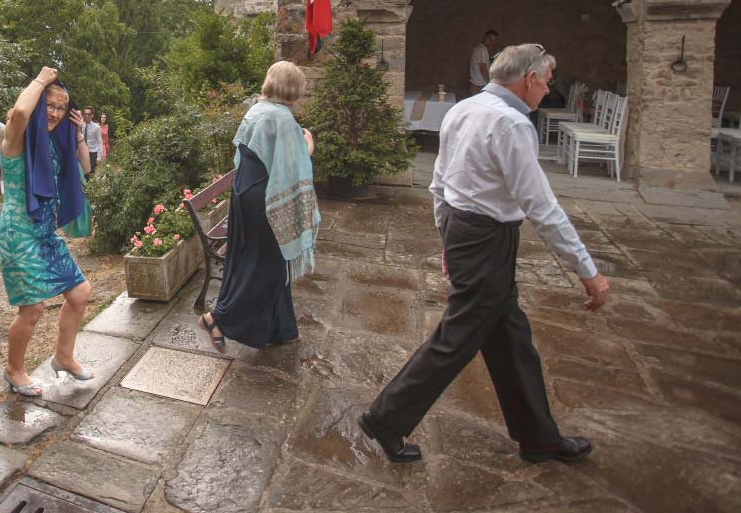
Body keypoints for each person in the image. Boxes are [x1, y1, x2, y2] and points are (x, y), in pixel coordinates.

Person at [360, 44, 611, 464]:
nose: (547, 92)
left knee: (512, 342)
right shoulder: (511, 124)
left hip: (466, 231)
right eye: (546, 82)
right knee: (455, 340)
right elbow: (541, 206)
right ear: (528, 78)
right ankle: (386, 417)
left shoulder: (463, 109)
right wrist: (587, 270)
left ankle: (538, 436)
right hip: (487, 238)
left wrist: (447, 238)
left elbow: (440, 183)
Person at [197, 61, 319, 351]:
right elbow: (291, 165)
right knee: (271, 268)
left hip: (244, 195)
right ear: (292, 88)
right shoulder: (282, 118)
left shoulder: (256, 109)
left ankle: (282, 328)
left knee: (260, 261)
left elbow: (243, 153)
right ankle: (218, 318)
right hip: (265, 200)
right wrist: (309, 146)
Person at [0, 67, 94, 396]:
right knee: (33, 310)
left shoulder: (52, 142)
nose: (54, 113)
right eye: (49, 105)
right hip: (18, 233)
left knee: (80, 293)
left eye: (61, 108)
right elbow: (22, 110)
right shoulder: (17, 137)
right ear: (40, 104)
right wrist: (40, 80)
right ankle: (14, 369)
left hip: (45, 231)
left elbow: (87, 168)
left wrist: (78, 135)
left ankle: (63, 356)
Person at [469, 29, 499, 96]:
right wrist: (490, 83)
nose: (491, 42)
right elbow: (483, 68)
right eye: (490, 39)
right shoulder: (482, 50)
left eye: (493, 40)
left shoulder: (479, 48)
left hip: (476, 85)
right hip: (479, 86)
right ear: (485, 37)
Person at [81, 106, 103, 176]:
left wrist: (99, 157)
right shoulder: (80, 125)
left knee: (90, 174)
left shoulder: (96, 127)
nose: (87, 116)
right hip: (82, 153)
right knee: (82, 174)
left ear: (92, 115)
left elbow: (100, 142)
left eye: (89, 114)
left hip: (92, 154)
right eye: (85, 114)